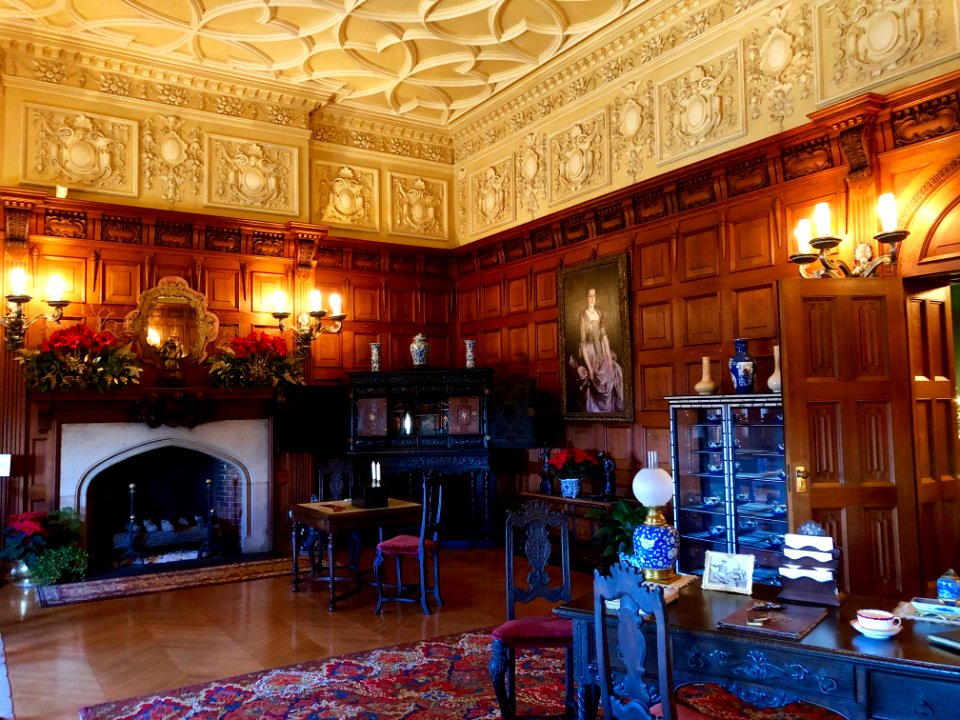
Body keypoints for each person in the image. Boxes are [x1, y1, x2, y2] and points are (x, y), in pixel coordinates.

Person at [569, 287, 624, 413]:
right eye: (590, 296)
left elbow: (604, 336)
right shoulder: (583, 315)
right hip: (589, 351)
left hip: (602, 350)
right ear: (586, 298)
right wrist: (589, 368)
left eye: (594, 296)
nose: (592, 298)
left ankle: (610, 412)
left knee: (614, 371)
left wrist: (609, 359)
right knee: (593, 377)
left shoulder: (599, 313)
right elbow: (582, 342)